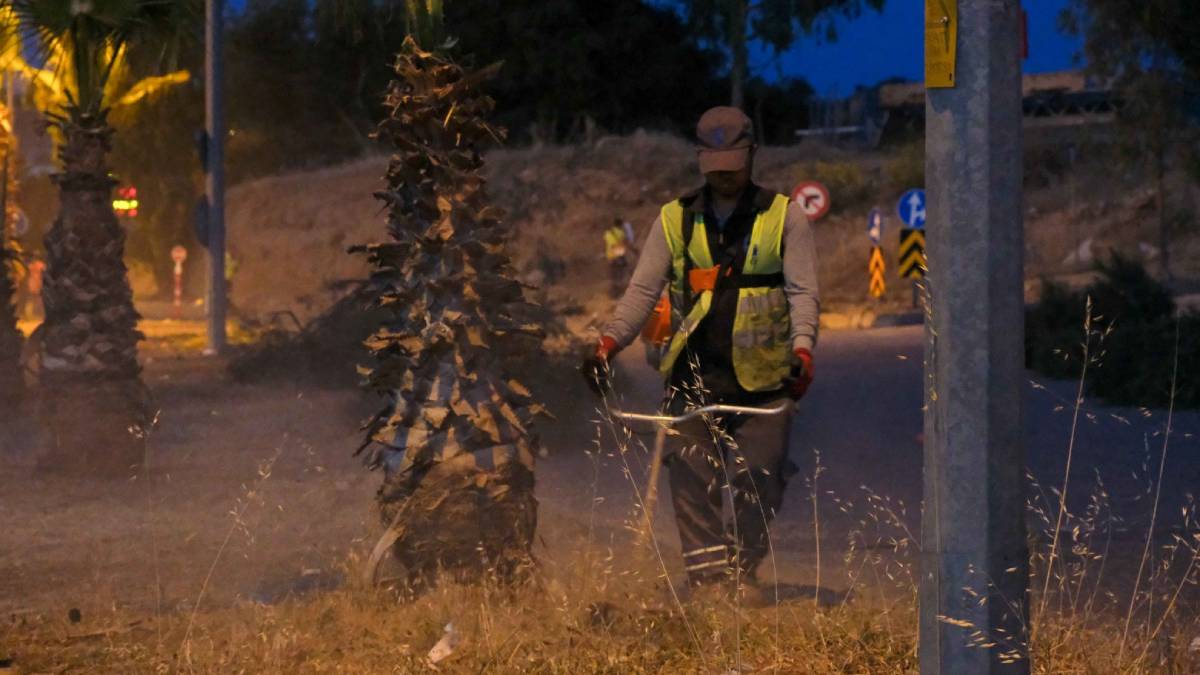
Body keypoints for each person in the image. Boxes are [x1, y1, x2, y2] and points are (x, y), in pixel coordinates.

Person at [581, 106, 820, 595]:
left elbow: (803, 293)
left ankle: (741, 566)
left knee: (760, 478)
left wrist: (803, 349)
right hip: (692, 376)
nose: (725, 178)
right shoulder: (674, 220)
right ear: (700, 161)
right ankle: (710, 583)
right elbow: (641, 293)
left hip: (765, 379)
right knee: (688, 472)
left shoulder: (783, 218)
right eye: (716, 168)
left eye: (734, 165)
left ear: (752, 155)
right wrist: (607, 345)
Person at [603, 217, 637, 298]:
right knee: (621, 274)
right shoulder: (621, 233)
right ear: (620, 225)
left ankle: (613, 293)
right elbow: (626, 243)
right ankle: (619, 292)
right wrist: (634, 250)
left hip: (610, 257)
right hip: (619, 256)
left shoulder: (607, 233)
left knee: (613, 276)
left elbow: (606, 244)